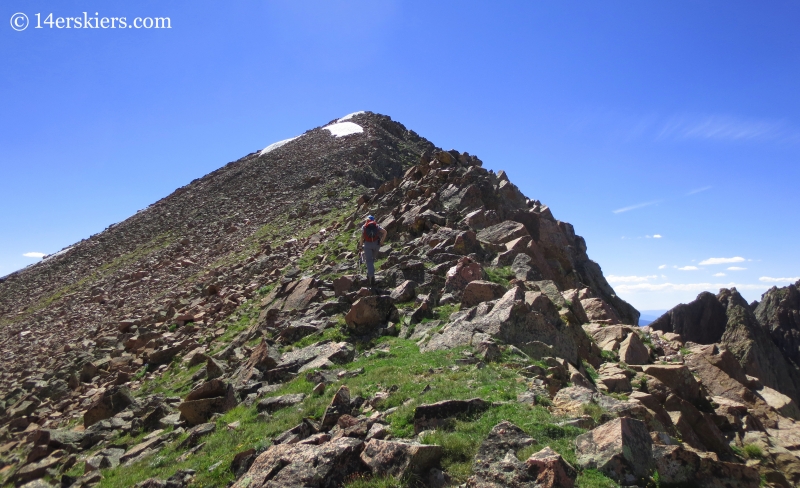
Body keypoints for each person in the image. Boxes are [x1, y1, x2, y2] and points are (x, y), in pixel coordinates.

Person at [358, 215, 387, 287]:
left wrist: (360, 246)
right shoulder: (376, 226)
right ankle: (370, 274)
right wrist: (381, 242)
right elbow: (385, 232)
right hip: (376, 244)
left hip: (367, 245)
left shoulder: (364, 227)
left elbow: (362, 237)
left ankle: (371, 277)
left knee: (369, 261)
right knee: (372, 259)